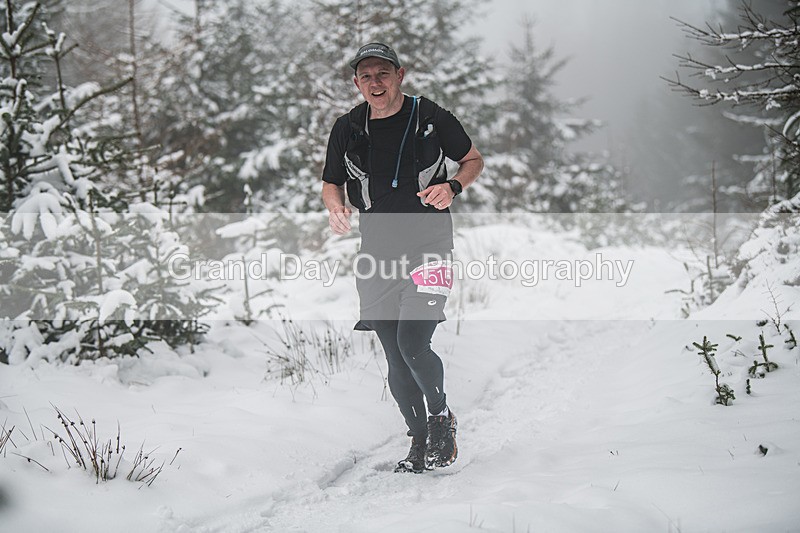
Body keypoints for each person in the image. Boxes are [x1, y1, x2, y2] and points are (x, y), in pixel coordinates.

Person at [321, 42, 484, 473]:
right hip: (376, 253)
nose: (375, 82)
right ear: (357, 82)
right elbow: (331, 181)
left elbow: (472, 159)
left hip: (430, 245)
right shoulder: (348, 127)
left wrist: (453, 186)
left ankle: (440, 418)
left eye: (383, 73)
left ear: (400, 75)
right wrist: (335, 207)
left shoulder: (431, 117)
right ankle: (418, 440)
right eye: (366, 76)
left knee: (413, 342)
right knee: (394, 354)